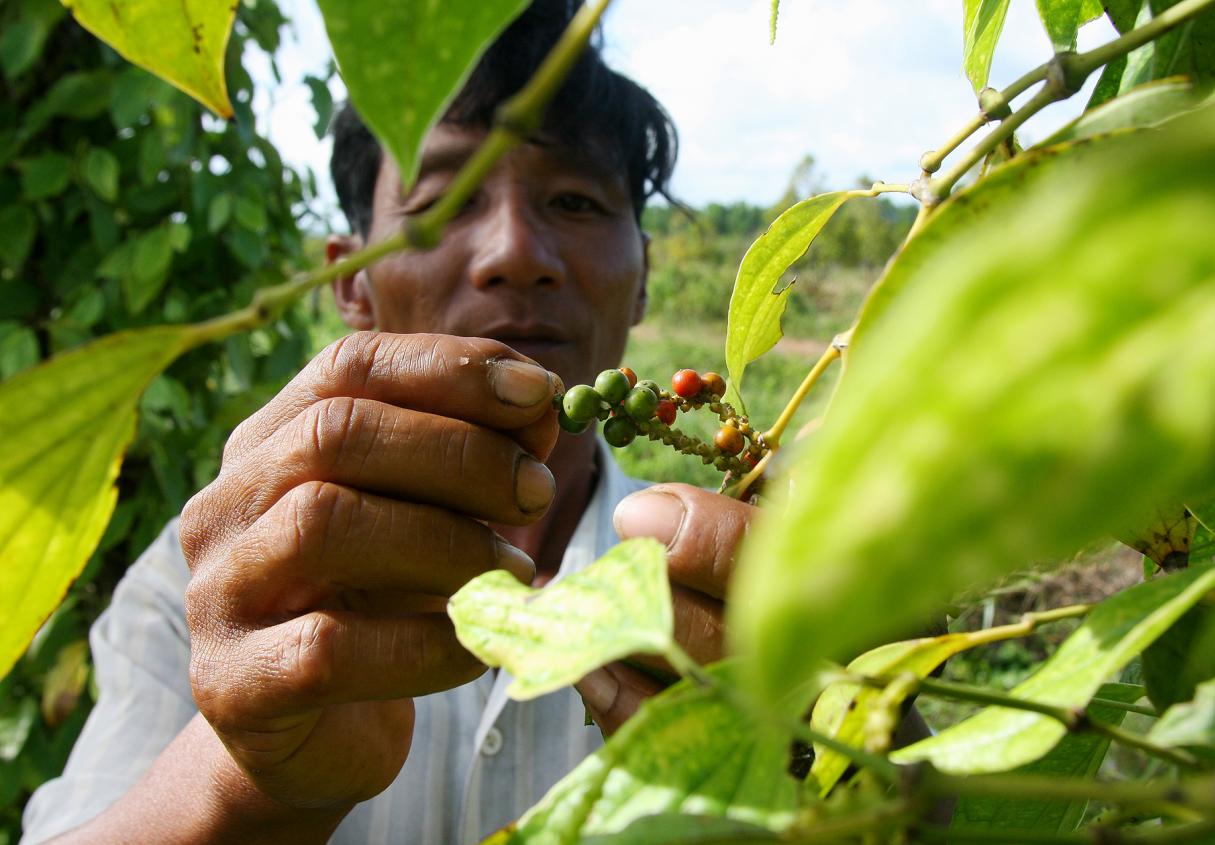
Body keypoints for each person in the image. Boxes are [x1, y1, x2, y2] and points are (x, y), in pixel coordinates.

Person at [19, 3, 749, 843]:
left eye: (577, 201)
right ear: (348, 285)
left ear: (644, 276)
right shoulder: (220, 592)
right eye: (444, 201)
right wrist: (249, 783)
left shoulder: (728, 598)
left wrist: (819, 752)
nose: (514, 251)